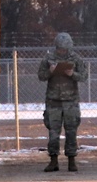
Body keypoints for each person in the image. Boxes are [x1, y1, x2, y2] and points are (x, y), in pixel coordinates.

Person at [38, 32, 89, 172]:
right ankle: (53, 161)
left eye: (64, 49)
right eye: (60, 48)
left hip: (71, 101)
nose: (62, 51)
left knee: (71, 131)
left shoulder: (76, 59)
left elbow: (84, 76)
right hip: (53, 101)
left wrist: (72, 74)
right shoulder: (49, 58)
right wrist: (50, 71)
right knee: (53, 132)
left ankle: (71, 160)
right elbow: (41, 76)